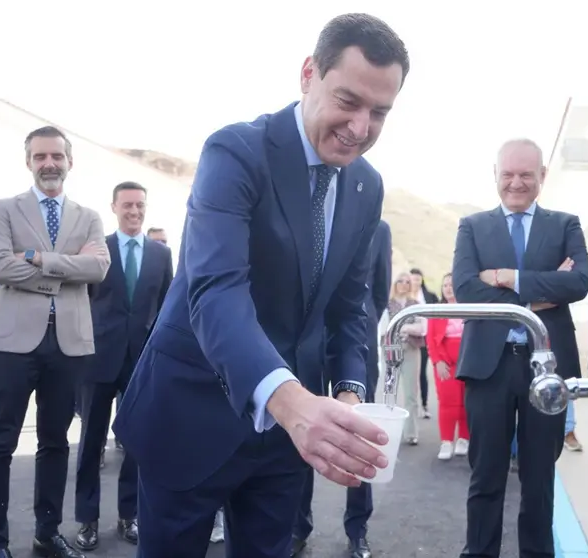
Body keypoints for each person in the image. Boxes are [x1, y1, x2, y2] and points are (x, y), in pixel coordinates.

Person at [112, 13, 410, 558]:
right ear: (307, 74)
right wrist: (290, 401)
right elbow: (216, 291)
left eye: (380, 113)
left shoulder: (367, 186)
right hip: (191, 414)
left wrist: (348, 395)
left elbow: (350, 310)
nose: (361, 127)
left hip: (284, 441)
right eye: (348, 100)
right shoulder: (235, 153)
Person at [453, 138, 588, 558]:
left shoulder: (565, 224)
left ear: (542, 176)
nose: (516, 183)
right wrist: (540, 289)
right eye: (508, 174)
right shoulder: (472, 226)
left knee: (539, 480)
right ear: (495, 176)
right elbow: (465, 288)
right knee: (486, 478)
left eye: (526, 174)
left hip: (546, 370)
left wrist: (507, 277)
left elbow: (578, 283)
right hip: (488, 369)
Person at [0, 126, 110, 558]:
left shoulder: (89, 217)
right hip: (11, 344)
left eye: (56, 156)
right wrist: (66, 269)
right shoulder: (2, 210)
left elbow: (98, 270)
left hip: (68, 344)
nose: (49, 163)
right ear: (28, 162)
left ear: (70, 161)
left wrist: (35, 259)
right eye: (40, 157)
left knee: (55, 442)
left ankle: (46, 533)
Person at [74, 182, 173, 551]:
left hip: (141, 362)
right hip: (97, 360)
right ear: (114, 207)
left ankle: (128, 515)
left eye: (140, 205)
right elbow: (80, 301)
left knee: (135, 442)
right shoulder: (98, 250)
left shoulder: (161, 255)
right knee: (90, 443)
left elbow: (165, 309)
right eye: (127, 205)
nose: (134, 211)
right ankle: (87, 520)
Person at [291, 219, 391, 558]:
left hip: (356, 345)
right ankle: (297, 526)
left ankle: (357, 529)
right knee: (300, 428)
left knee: (359, 434)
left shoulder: (379, 228)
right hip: (304, 341)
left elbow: (378, 290)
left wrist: (361, 337)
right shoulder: (302, 214)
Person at [426, 273, 469, 460]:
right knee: (447, 402)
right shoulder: (437, 310)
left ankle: (464, 438)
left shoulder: (470, 308)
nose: (448, 288)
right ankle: (446, 441)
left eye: (452, 284)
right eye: (445, 285)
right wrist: (438, 361)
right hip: (445, 364)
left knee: (466, 402)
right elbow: (431, 339)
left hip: (467, 362)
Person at [384, 271, 425, 445]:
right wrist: (409, 327)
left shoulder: (415, 304)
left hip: (411, 349)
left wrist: (403, 327)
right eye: (400, 281)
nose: (403, 284)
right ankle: (386, 432)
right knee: (390, 392)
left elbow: (422, 328)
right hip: (391, 350)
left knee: (411, 394)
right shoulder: (386, 304)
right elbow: (384, 328)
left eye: (407, 281)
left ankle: (411, 432)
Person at [409, 268, 437, 418]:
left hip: (425, 339)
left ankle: (425, 405)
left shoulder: (430, 296)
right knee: (410, 375)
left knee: (421, 374)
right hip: (409, 341)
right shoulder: (404, 297)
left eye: (418, 279)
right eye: (413, 279)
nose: (415, 282)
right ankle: (411, 407)